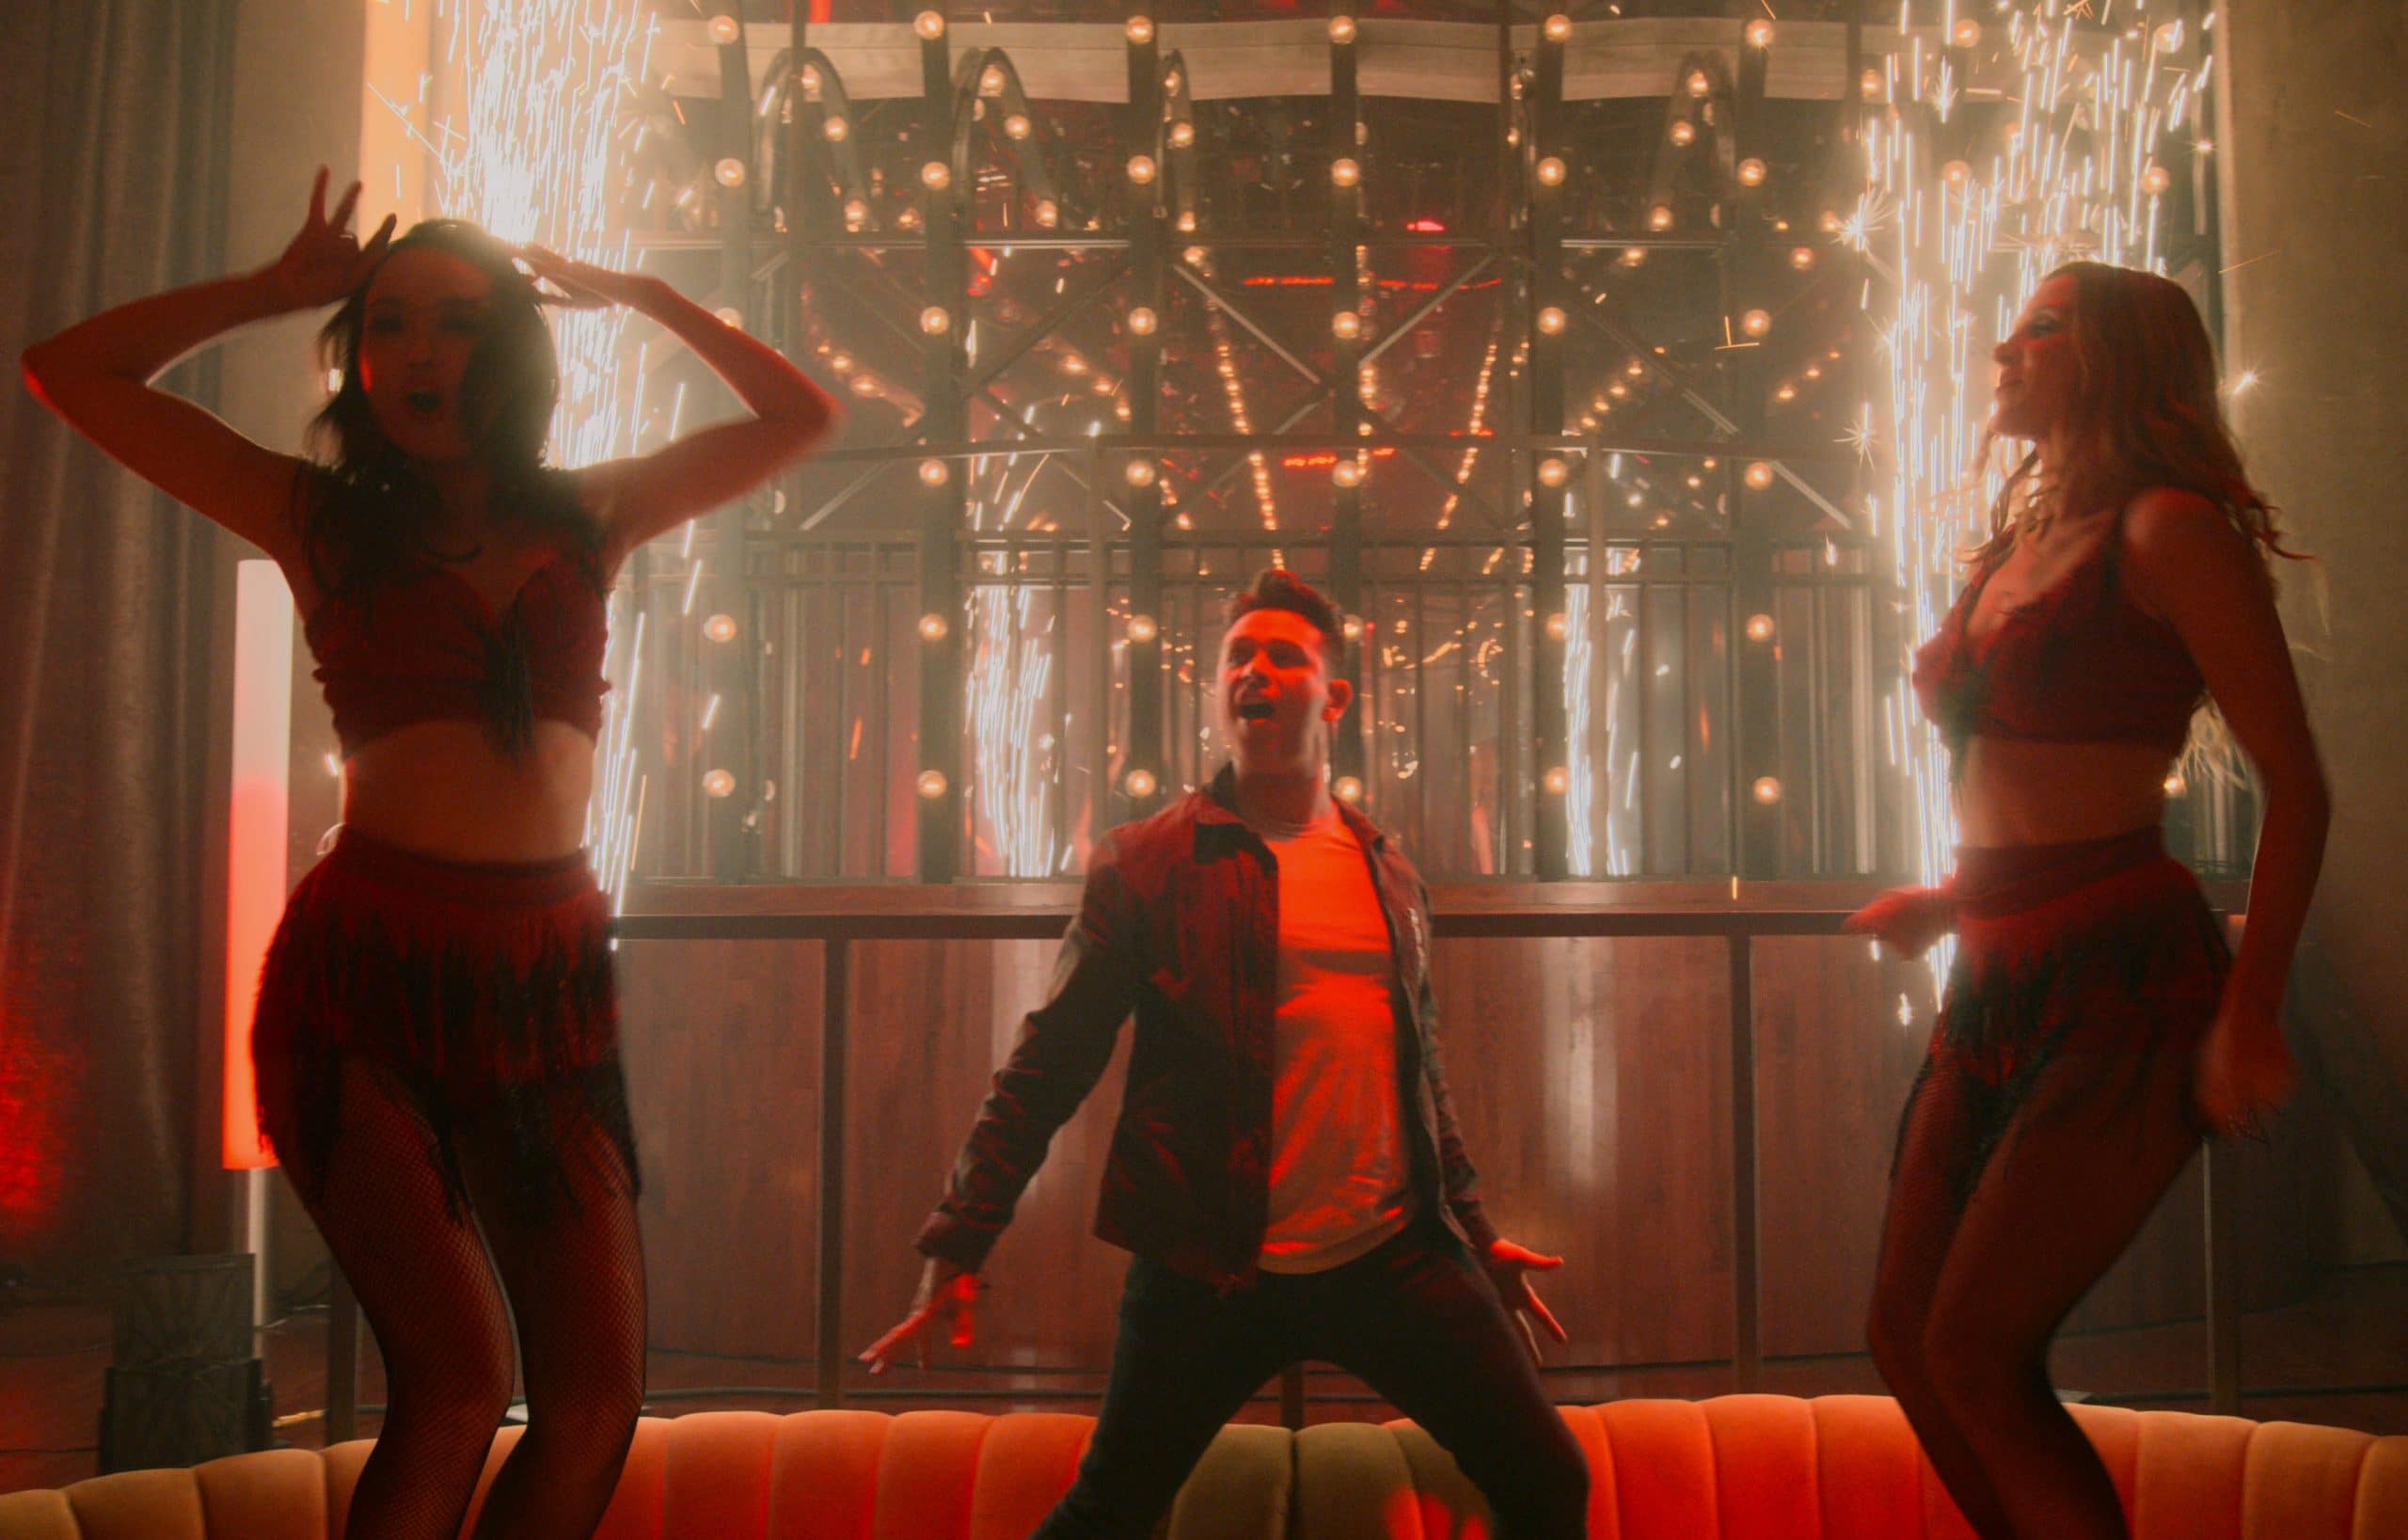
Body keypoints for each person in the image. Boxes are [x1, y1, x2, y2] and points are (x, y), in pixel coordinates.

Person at [22, 170, 836, 1539]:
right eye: (388, 323)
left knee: (593, 1401)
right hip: (365, 981)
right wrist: (269, 292)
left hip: (547, 989)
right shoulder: (318, 517)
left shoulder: (590, 514)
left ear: (508, 350)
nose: (416, 353)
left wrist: (640, 293)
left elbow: (801, 416)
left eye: (456, 323)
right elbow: (67, 371)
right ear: (357, 358)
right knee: (456, 1385)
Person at [863, 569, 1591, 1538]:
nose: (1255, 671)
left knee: (1551, 1480)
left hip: (1392, 1257)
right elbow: (1048, 1063)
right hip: (1207, 1267)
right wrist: (959, 1240)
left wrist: (1473, 1224)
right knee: (1108, 1512)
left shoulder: (1387, 868)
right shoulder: (1148, 860)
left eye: (1284, 657)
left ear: (1334, 696)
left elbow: (1418, 1072)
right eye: (1238, 656)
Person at [1852, 262, 2326, 1540]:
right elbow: (2021, 788)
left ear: (2117, 358)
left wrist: (2251, 1010)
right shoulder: (2012, 548)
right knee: (1904, 1332)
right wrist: (1947, 901)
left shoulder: (2168, 531)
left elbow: (2298, 784)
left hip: (2124, 974)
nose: (2003, 348)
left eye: (2042, 328)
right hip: (1992, 968)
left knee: (1972, 1350)